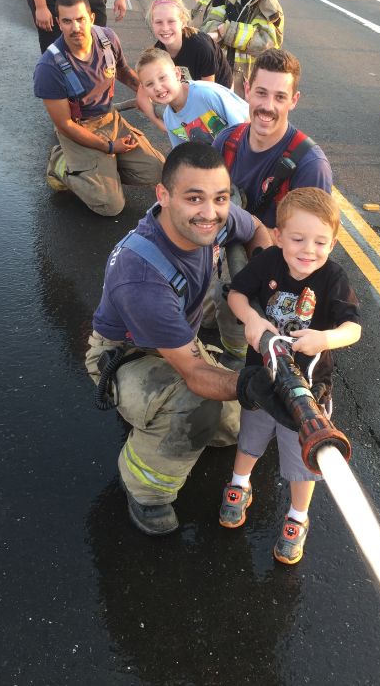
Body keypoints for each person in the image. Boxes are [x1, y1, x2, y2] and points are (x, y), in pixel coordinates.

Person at [85, 142, 272, 535]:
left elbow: (255, 229)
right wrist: (253, 384)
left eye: (220, 198)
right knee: (199, 401)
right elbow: (193, 374)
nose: (210, 212)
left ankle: (184, 416)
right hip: (129, 353)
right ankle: (146, 488)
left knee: (239, 427)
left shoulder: (212, 218)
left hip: (177, 332)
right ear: (163, 196)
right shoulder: (142, 278)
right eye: (194, 198)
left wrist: (268, 284)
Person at [221, 188, 361, 564]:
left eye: (320, 242)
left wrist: (324, 337)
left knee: (304, 457)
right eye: (297, 239)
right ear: (278, 236)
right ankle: (239, 483)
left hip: (310, 391)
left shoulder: (333, 277)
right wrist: (252, 318)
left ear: (332, 243)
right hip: (263, 380)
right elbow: (236, 293)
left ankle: (298, 516)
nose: (308, 250)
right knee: (250, 435)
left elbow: (353, 328)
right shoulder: (267, 262)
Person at [33, 0, 164, 216]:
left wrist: (146, 91)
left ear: (92, 18)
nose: (75, 27)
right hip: (78, 128)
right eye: (67, 21)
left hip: (110, 120)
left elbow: (122, 71)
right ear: (58, 23)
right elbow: (64, 124)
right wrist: (110, 148)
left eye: (80, 19)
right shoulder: (49, 68)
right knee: (110, 206)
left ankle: (101, 171)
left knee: (160, 171)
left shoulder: (107, 39)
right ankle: (61, 164)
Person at [213, 49, 333, 229]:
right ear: (247, 90)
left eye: (280, 97)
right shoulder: (226, 141)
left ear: (294, 100)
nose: (268, 106)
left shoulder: (310, 166)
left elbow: (310, 247)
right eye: (261, 93)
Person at [198, 0, 284, 97]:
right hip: (219, 70)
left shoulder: (268, 4)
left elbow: (267, 42)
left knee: (243, 118)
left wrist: (227, 31)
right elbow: (209, 21)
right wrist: (215, 32)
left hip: (247, 79)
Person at [137, 0, 233, 133]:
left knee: (216, 134)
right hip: (188, 87)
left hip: (218, 90)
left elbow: (208, 96)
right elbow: (142, 95)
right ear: (152, 24)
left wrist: (188, 127)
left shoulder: (201, 47)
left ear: (182, 22)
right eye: (159, 22)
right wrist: (162, 125)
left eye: (171, 21)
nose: (165, 28)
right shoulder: (158, 52)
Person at [136, 48, 249, 149]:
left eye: (162, 78)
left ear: (177, 74)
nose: (157, 87)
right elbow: (183, 154)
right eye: (149, 84)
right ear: (144, 89)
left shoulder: (206, 94)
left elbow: (244, 129)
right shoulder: (169, 119)